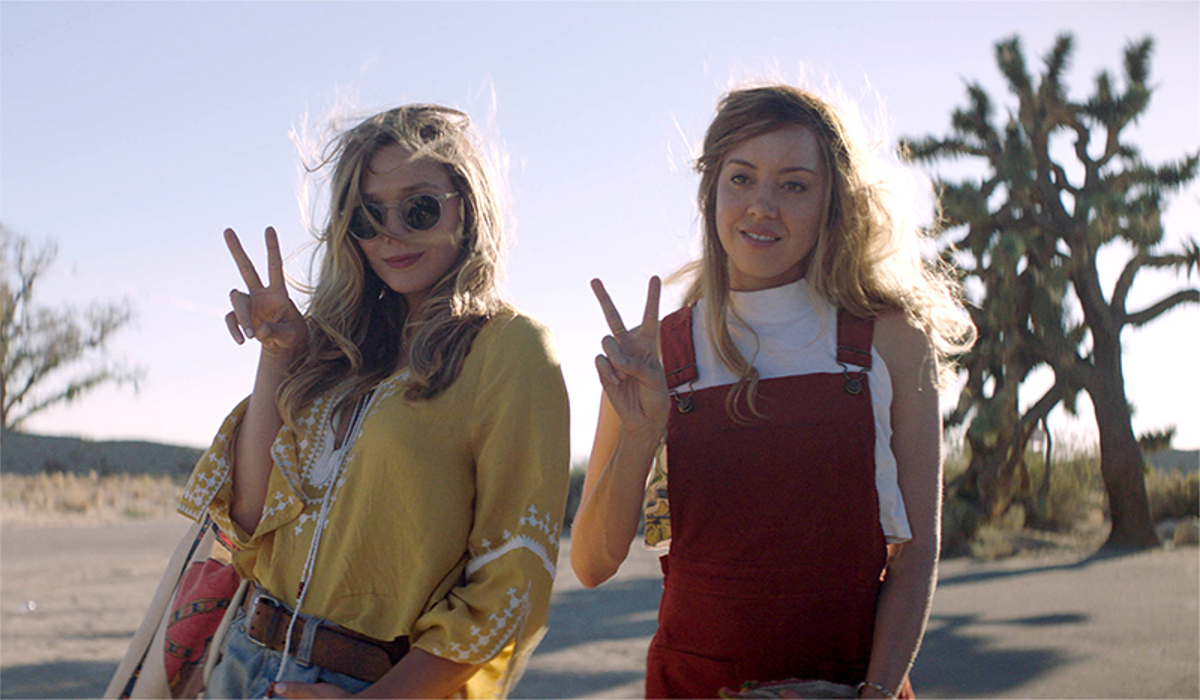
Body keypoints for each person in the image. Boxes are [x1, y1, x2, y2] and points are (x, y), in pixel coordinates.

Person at [570, 84, 976, 699]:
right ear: (710, 192)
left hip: (852, 687)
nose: (761, 205)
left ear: (832, 202)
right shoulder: (654, 354)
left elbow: (916, 556)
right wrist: (640, 431)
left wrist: (874, 693)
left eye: (794, 185)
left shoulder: (890, 339)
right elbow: (591, 564)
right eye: (741, 178)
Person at [176, 104, 570, 699]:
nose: (391, 233)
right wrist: (279, 355)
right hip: (241, 665)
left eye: (419, 208)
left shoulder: (509, 350)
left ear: (467, 207)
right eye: (367, 216)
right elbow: (250, 520)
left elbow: (512, 581)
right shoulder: (335, 349)